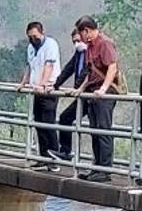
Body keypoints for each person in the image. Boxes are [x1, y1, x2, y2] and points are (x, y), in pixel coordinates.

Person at [73, 15, 121, 182]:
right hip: (93, 92)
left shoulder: (104, 43)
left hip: (105, 93)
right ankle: (97, 167)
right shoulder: (90, 47)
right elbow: (90, 71)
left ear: (87, 31)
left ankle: (105, 169)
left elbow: (112, 67)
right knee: (95, 130)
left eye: (82, 34)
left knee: (103, 129)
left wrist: (103, 88)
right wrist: (80, 89)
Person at [15, 21, 61, 169]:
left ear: (41, 33)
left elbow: (49, 65)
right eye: (30, 36)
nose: (33, 39)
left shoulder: (50, 44)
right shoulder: (30, 47)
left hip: (47, 90)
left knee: (48, 124)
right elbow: (30, 66)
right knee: (39, 124)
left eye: (35, 36)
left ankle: (54, 159)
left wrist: (42, 84)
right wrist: (23, 83)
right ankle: (43, 157)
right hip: (36, 90)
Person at [51, 26, 87, 161]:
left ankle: (102, 166)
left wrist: (79, 87)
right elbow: (68, 69)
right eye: (74, 42)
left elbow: (88, 72)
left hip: (90, 94)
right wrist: (55, 85)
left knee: (99, 129)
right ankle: (65, 151)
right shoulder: (79, 54)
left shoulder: (93, 52)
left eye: (79, 40)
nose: (77, 44)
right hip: (81, 95)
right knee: (65, 118)